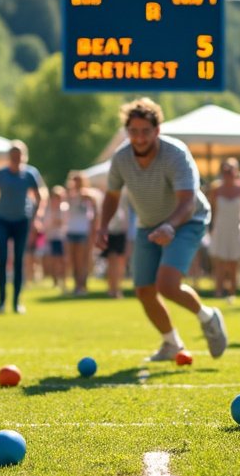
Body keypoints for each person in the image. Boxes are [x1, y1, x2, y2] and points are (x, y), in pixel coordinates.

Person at [96, 98, 228, 361]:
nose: (140, 138)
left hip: (187, 219)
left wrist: (169, 226)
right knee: (144, 290)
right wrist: (103, 226)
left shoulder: (175, 153)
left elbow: (187, 201)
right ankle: (172, 344)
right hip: (148, 225)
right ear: (127, 132)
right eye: (133, 131)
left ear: (157, 130)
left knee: (167, 284)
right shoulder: (121, 158)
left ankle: (208, 317)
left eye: (146, 131)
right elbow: (112, 195)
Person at [0, 140, 46, 314]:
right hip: (2, 220)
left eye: (19, 156)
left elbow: (40, 196)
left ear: (23, 157)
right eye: (13, 155)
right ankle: (1, 301)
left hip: (22, 221)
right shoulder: (0, 174)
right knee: (2, 259)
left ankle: (16, 302)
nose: (16, 159)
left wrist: (36, 218)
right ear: (9, 157)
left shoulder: (30, 174)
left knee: (19, 261)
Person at [207, 157, 240, 301]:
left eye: (231, 171)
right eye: (225, 171)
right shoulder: (215, 190)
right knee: (219, 262)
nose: (228, 174)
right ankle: (218, 291)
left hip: (236, 228)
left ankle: (232, 292)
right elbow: (211, 211)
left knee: (233, 262)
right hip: (220, 228)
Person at [64, 171, 99, 296]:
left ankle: (82, 285)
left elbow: (94, 214)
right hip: (71, 230)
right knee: (73, 260)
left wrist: (94, 231)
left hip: (83, 231)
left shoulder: (88, 196)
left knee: (82, 260)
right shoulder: (69, 195)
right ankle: (76, 285)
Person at [103, 190, 133, 298]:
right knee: (112, 260)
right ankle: (112, 288)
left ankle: (116, 288)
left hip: (121, 231)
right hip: (111, 231)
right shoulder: (109, 194)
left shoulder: (126, 195)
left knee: (120, 261)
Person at [43, 185, 68, 291]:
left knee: (63, 260)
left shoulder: (65, 208)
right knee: (53, 260)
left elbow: (64, 222)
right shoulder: (48, 209)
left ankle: (63, 281)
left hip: (62, 237)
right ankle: (55, 281)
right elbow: (47, 224)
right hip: (52, 237)